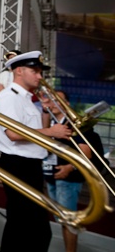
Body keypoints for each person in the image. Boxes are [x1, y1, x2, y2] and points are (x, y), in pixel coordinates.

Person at [0, 50, 72, 252]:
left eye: (40, 72)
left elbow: (38, 133)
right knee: (29, 228)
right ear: (19, 71)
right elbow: (13, 134)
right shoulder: (9, 97)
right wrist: (51, 130)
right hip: (19, 164)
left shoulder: (27, 98)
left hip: (29, 165)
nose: (39, 76)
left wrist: (45, 111)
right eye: (35, 71)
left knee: (29, 228)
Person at [41, 90, 90, 252]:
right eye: (51, 99)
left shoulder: (74, 123)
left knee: (68, 221)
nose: (53, 102)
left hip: (68, 179)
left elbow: (86, 152)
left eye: (57, 100)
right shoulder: (53, 124)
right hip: (52, 176)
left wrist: (70, 167)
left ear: (67, 104)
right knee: (62, 219)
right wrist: (45, 112)